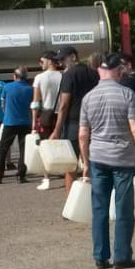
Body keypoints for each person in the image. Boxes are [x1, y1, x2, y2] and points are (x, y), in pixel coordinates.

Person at [79, 53, 135, 269]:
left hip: (98, 158)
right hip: (123, 159)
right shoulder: (127, 94)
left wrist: (85, 163)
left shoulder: (88, 97)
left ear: (99, 71)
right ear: (118, 71)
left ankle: (100, 257)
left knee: (99, 208)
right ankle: (122, 257)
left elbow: (83, 135)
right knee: (123, 208)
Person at [51, 46, 99, 195]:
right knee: (92, 160)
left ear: (73, 57)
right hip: (93, 121)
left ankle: (70, 199)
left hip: (73, 122)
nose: (61, 63)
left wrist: (56, 130)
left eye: (63, 59)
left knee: (70, 164)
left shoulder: (68, 75)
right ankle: (95, 196)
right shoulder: (94, 73)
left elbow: (64, 105)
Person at [0, 67, 34, 184]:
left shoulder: (7, 87)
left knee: (3, 149)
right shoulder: (30, 89)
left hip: (10, 121)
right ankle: (21, 175)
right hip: (25, 122)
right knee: (24, 149)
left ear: (14, 76)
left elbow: (2, 104)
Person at [31, 51, 63, 191]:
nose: (40, 63)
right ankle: (68, 174)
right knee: (64, 144)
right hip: (61, 114)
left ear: (49, 61)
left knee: (44, 146)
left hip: (45, 114)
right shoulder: (63, 76)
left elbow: (36, 101)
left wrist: (33, 121)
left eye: (42, 61)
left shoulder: (39, 77)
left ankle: (46, 177)